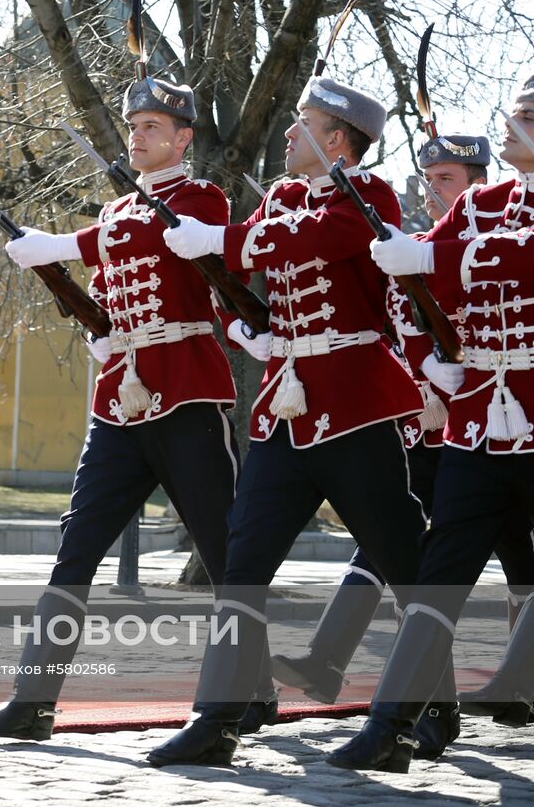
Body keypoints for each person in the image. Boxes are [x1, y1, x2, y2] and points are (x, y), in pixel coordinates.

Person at [0, 74, 276, 740]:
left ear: (182, 138)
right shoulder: (114, 213)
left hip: (187, 391)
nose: (137, 136)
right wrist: (98, 331)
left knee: (223, 548)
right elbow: (109, 292)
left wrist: (58, 246)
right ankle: (32, 697)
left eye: (152, 128)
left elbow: (153, 244)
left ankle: (255, 688)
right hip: (121, 401)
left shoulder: (201, 199)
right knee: (74, 550)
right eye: (133, 127)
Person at [148, 76, 445, 767]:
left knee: (403, 565)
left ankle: (431, 712)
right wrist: (243, 323)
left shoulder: (366, 197)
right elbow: (241, 263)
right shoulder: (281, 197)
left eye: (302, 120)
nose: (287, 132)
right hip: (286, 410)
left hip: (354, 406)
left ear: (336, 138)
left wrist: (220, 238)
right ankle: (218, 718)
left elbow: (300, 240)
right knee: (242, 560)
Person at [275, 132, 534, 704]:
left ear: (476, 183)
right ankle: (338, 665)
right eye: (429, 178)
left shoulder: (484, 231)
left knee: (517, 550)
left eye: (448, 180)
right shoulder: (423, 242)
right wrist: (425, 376)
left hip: (497, 416)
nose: (434, 189)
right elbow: (400, 322)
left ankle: (516, 683)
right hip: (432, 422)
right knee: (389, 539)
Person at [329, 78, 534, 771]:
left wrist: (437, 260)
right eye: (515, 113)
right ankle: (390, 729)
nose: (511, 126)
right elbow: (418, 288)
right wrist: (432, 363)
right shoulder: (481, 204)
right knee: (438, 577)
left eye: (528, 118)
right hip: (478, 426)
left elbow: (501, 260)